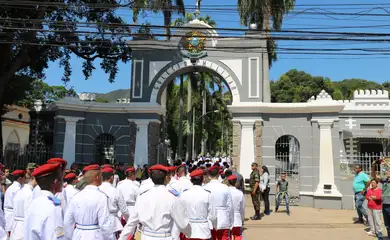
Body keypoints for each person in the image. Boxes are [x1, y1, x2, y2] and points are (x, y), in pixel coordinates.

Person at [119, 164, 190, 240]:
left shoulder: (142, 197)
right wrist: (190, 233)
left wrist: (122, 238)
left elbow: (131, 223)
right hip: (164, 237)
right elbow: (183, 224)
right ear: (166, 178)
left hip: (146, 237)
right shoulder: (172, 198)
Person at [64, 164, 111, 239]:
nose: (102, 178)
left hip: (78, 234)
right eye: (101, 175)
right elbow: (105, 224)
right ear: (97, 177)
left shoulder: (76, 196)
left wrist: (69, 237)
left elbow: (68, 221)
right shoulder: (102, 197)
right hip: (95, 235)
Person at [24, 163, 66, 239]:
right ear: (55, 182)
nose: (63, 182)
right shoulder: (54, 208)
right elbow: (57, 238)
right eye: (61, 179)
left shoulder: (33, 203)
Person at [180, 169, 215, 240]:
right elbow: (213, 215)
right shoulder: (208, 194)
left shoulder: (184, 194)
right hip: (204, 231)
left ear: (191, 181)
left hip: (189, 230)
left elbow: (181, 214)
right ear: (202, 180)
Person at [204, 165, 234, 240]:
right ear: (218, 174)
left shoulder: (204, 188)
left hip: (208, 220)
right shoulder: (225, 188)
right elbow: (230, 206)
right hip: (223, 219)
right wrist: (231, 222)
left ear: (208, 175)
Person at [99, 167, 129, 239]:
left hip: (99, 221)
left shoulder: (97, 189)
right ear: (112, 177)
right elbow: (124, 210)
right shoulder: (116, 191)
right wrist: (128, 222)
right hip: (112, 222)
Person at [11, 173, 37, 240]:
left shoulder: (20, 191)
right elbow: (29, 214)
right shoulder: (30, 194)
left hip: (16, 226)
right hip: (24, 227)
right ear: (34, 179)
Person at [4, 169, 25, 235]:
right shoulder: (18, 189)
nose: (25, 180)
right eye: (24, 178)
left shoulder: (10, 187)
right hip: (14, 216)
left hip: (9, 215)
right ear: (20, 178)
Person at [226, 175, 245, 240]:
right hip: (237, 217)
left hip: (227, 217)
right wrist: (242, 218)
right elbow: (242, 208)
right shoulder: (240, 193)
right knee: (237, 235)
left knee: (228, 236)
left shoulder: (225, 192)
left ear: (228, 182)